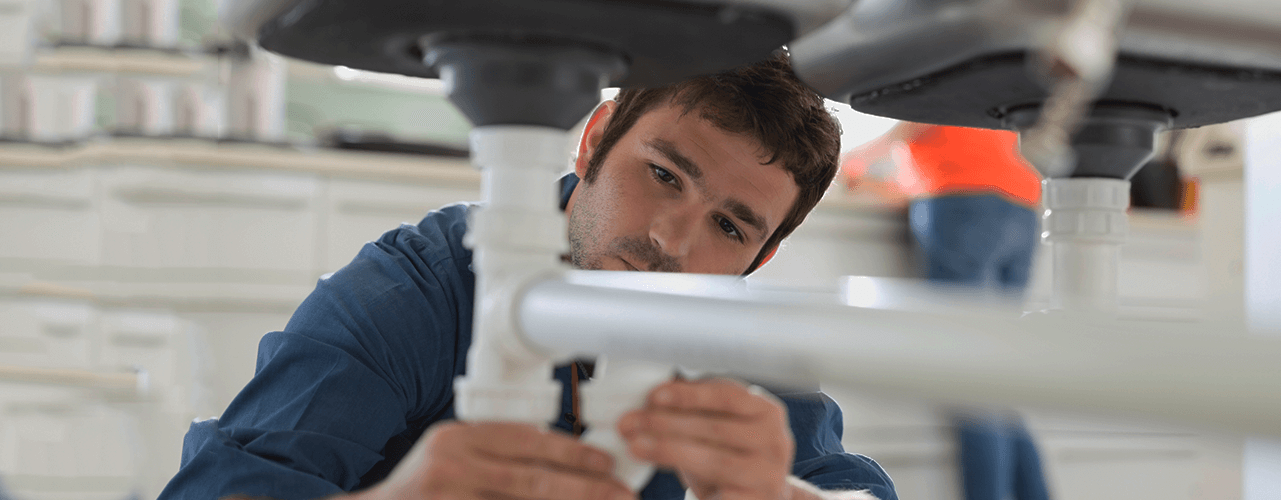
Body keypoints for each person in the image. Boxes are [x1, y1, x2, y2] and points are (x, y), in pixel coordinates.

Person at [159, 53, 895, 500]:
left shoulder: (737, 348)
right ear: (595, 141)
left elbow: (851, 490)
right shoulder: (418, 289)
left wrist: (786, 496)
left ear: (757, 262)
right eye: (664, 174)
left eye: (730, 227)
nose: (670, 240)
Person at [842, 123, 1050, 500]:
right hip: (1022, 201)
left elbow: (913, 122)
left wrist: (852, 161)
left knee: (972, 382)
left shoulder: (914, 69)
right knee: (999, 382)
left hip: (961, 198)